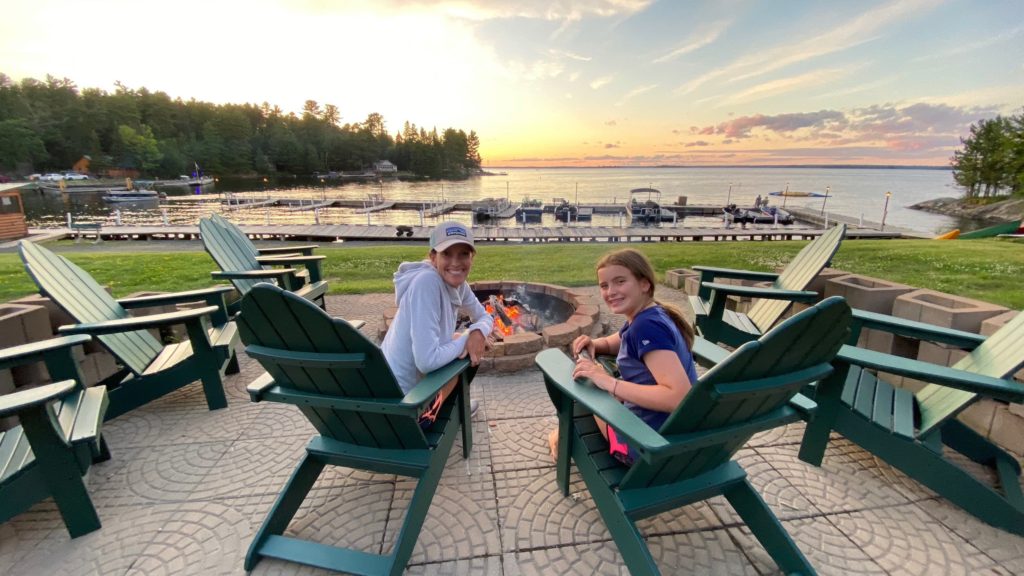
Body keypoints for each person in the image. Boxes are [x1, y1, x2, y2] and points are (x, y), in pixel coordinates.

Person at [547, 248, 698, 464]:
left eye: (620, 281)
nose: (611, 291)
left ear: (644, 284)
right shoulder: (651, 315)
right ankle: (562, 433)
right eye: (604, 285)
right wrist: (594, 343)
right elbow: (617, 341)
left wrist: (608, 382)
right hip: (674, 434)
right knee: (593, 376)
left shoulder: (645, 327)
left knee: (586, 385)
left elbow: (678, 397)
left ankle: (561, 436)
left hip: (643, 446)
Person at [381, 220, 494, 427]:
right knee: (463, 346)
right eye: (447, 254)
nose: (456, 263)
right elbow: (426, 361)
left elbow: (485, 317)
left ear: (472, 258)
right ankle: (435, 412)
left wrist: (478, 332)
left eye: (463, 254)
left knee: (466, 340)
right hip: (404, 404)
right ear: (433, 258)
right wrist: (467, 338)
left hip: (401, 390)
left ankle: (454, 404)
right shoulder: (426, 283)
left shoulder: (459, 286)